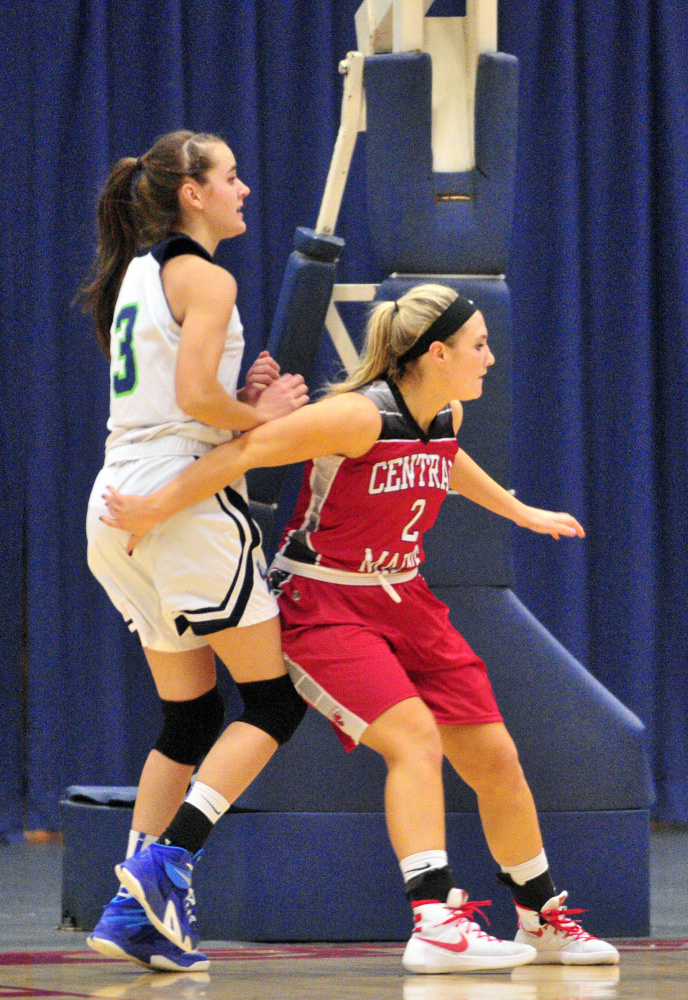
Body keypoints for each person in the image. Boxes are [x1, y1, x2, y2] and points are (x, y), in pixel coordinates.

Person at [104, 284, 619, 973]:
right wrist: (151, 509)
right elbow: (243, 454)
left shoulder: (446, 414)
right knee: (414, 739)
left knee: (496, 756)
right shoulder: (356, 416)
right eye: (479, 345)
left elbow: (448, 463)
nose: (491, 357)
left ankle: (541, 916)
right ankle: (433, 918)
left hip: (403, 596)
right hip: (326, 601)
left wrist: (519, 512)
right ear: (436, 353)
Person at [79, 130, 309, 972]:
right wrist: (271, 414)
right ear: (192, 193)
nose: (244, 188)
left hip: (115, 503)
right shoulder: (207, 275)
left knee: (187, 716)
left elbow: (188, 397)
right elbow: (195, 397)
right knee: (275, 704)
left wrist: (236, 400)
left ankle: (131, 909)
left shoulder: (136, 275)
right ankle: (165, 865)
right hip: (185, 501)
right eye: (231, 176)